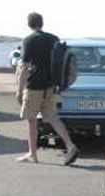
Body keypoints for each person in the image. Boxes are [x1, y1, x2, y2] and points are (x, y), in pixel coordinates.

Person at [15, 12, 78, 165]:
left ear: (29, 24)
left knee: (32, 120)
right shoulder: (53, 39)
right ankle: (70, 146)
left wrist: (19, 90)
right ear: (41, 23)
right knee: (53, 118)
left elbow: (24, 67)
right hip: (50, 86)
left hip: (34, 86)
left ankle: (32, 154)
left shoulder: (28, 40)